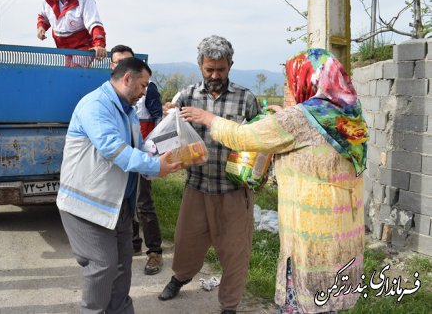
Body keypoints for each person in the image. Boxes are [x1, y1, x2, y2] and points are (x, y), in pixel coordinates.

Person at [180, 49, 368, 313]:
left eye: (289, 82)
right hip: (342, 228)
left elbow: (243, 138)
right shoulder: (346, 113)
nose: (287, 87)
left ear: (305, 80)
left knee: (303, 302)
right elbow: (305, 137)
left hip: (310, 235)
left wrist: (208, 118)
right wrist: (285, 114)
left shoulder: (301, 117)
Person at [57, 56, 182, 313]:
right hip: (87, 205)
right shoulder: (96, 105)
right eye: (143, 86)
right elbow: (112, 148)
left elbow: (138, 148)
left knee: (122, 266)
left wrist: (163, 147)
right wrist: (156, 166)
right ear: (127, 78)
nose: (145, 92)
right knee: (102, 265)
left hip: (118, 206)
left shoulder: (128, 110)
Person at [158, 35, 261, 314]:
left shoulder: (246, 99)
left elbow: (260, 140)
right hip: (197, 186)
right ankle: (180, 277)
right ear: (200, 66)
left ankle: (229, 306)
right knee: (186, 241)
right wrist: (168, 114)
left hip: (233, 191)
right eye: (209, 69)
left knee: (235, 252)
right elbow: (167, 134)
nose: (215, 75)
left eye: (221, 69)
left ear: (231, 65)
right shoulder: (187, 95)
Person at [109, 45, 165, 275]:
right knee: (124, 202)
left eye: (127, 61)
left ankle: (155, 251)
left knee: (143, 203)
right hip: (122, 159)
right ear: (113, 68)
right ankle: (131, 246)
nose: (123, 65)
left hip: (142, 156)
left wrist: (154, 153)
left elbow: (160, 121)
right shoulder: (108, 96)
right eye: (118, 62)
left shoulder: (146, 91)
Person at [37, 0, 107, 65]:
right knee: (65, 74)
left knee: (75, 71)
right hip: (63, 49)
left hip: (83, 47)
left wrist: (99, 44)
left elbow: (95, 25)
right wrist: (41, 27)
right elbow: (43, 17)